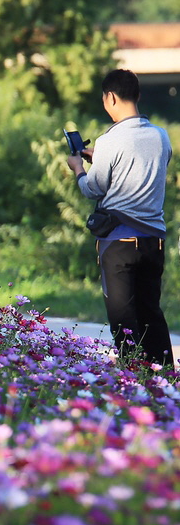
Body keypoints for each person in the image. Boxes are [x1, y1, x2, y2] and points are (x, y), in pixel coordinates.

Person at [66, 68, 174, 368]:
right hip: (154, 242)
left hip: (119, 243)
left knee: (123, 320)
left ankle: (132, 379)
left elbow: (93, 188)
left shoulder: (110, 140)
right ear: (137, 95)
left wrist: (78, 167)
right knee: (151, 312)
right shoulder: (160, 135)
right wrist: (98, 156)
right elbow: (143, 167)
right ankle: (164, 379)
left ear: (110, 98)